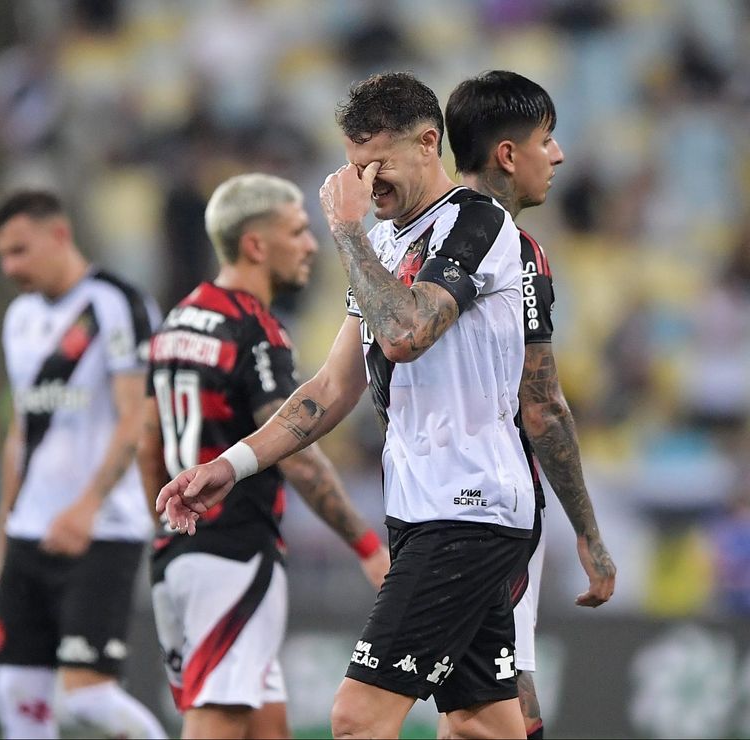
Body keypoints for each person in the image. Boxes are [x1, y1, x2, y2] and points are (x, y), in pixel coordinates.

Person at [157, 72, 607, 738]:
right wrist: (234, 464)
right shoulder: (390, 244)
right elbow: (329, 389)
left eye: (378, 164)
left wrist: (345, 233)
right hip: (425, 508)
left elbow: (403, 336)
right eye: (354, 166)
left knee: (357, 717)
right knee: (485, 724)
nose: (365, 184)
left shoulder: (475, 223)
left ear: (429, 144)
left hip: (468, 508)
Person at [137, 173, 390, 740]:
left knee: (267, 728)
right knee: (217, 721)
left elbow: (146, 438)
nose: (309, 245)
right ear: (256, 244)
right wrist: (366, 544)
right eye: (298, 231)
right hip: (234, 554)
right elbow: (295, 451)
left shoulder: (176, 322)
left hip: (178, 556)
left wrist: (164, 530)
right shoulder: (256, 330)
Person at [443, 70, 617, 739]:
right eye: (547, 139)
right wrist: (590, 536)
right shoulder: (514, 252)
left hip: (419, 497)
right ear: (507, 155)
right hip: (490, 504)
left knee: (480, 710)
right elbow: (540, 407)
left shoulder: (402, 239)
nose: (560, 154)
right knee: (495, 712)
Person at [0, 189, 167, 740]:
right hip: (30, 531)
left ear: (59, 234)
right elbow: (21, 433)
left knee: (89, 698)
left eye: (20, 250)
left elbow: (136, 417)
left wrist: (86, 507)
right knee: (17, 696)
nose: (10, 267)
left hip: (102, 530)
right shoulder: (18, 319)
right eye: (2, 256)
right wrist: (3, 535)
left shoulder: (118, 304)